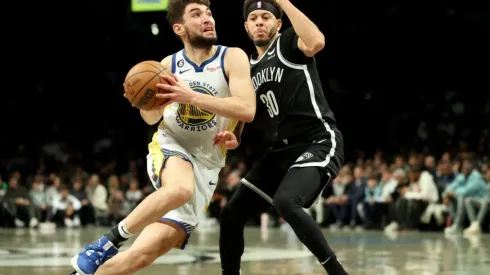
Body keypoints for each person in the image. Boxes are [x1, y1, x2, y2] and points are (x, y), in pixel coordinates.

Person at [69, 1, 255, 275]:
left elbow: (246, 109)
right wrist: (144, 103)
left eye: (209, 13)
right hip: (172, 146)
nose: (208, 19)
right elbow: (152, 119)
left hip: (208, 165)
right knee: (180, 189)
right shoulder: (168, 65)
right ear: (179, 28)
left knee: (139, 257)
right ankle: (106, 243)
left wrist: (234, 136)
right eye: (197, 14)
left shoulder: (232, 57)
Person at [219, 0, 347, 274]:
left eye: (266, 17)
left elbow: (316, 42)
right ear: (246, 26)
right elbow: (244, 111)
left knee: (286, 201)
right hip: (282, 150)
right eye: (253, 18)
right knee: (231, 214)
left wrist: (284, 2)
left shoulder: (288, 43)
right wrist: (235, 136)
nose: (259, 22)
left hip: (318, 139)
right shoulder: (248, 67)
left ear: (278, 24)